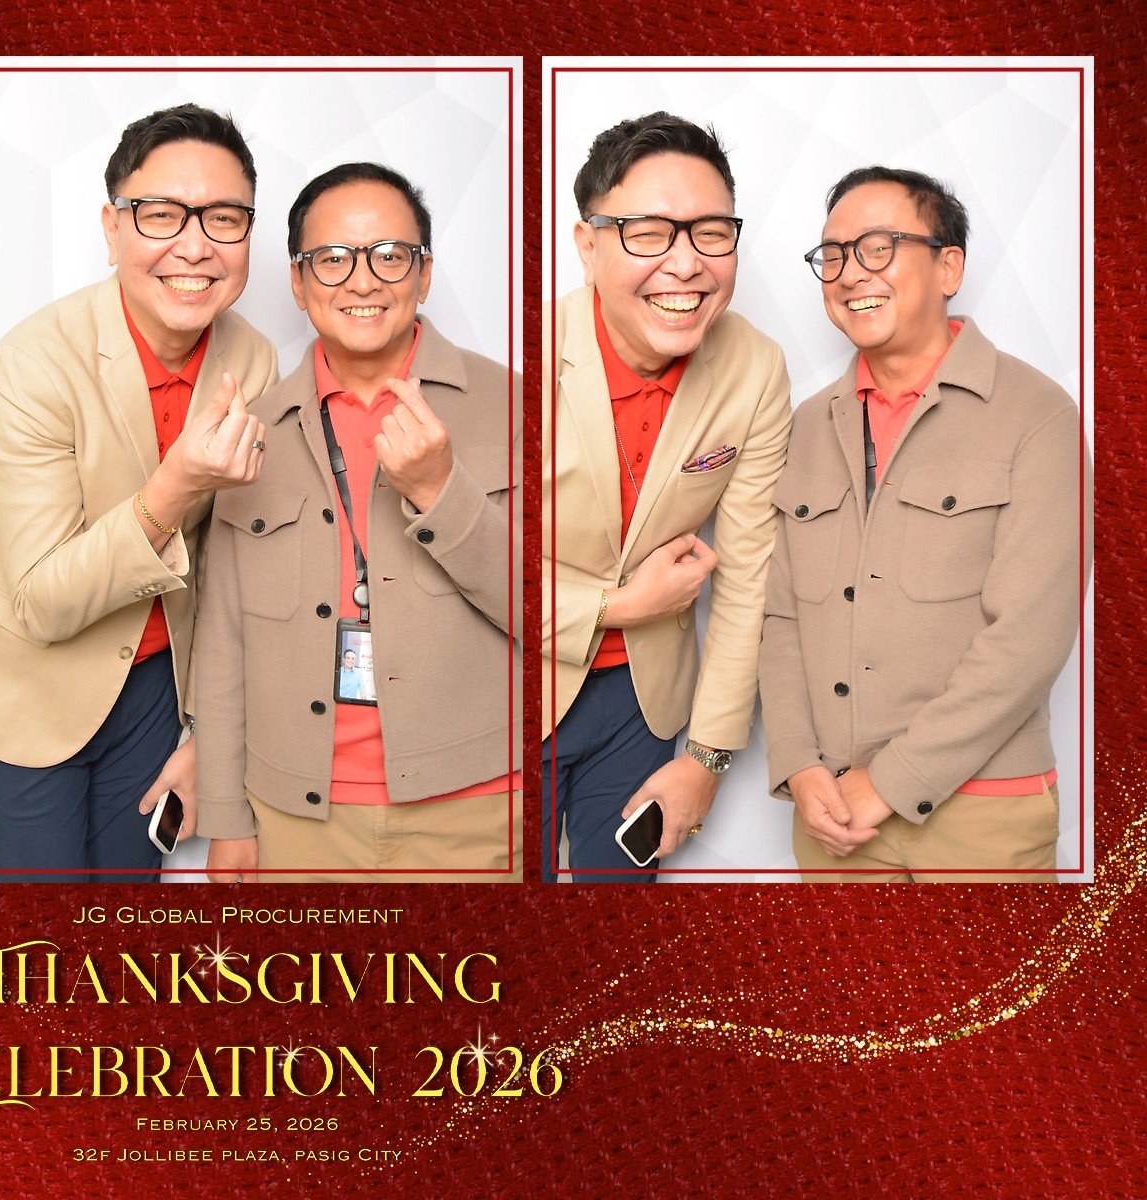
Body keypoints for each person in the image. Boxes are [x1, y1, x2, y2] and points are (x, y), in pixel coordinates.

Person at [0, 103, 279, 882]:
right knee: (40, 957)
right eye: (160, 214)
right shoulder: (30, 366)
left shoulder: (253, 356)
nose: (196, 245)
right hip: (30, 701)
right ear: (112, 229)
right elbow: (41, 600)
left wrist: (212, 731)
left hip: (159, 692)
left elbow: (233, 569)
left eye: (224, 218)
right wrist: (175, 485)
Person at [199, 162, 522, 884]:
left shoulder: (515, 408)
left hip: (472, 813)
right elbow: (222, 642)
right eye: (333, 259)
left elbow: (553, 613)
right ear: (298, 282)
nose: (363, 280)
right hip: (295, 820)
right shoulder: (252, 431)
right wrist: (225, 816)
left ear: (424, 272)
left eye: (389, 255)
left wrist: (442, 492)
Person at [761, 166, 1086, 882]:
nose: (850, 273)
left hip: (983, 817)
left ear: (948, 266)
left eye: (878, 247)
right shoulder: (807, 425)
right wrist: (799, 766)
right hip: (832, 819)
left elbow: (1030, 638)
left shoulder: (1036, 414)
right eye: (833, 255)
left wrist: (890, 781)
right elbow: (779, 618)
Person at [548, 112, 791, 881]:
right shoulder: (523, 362)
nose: (686, 265)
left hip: (644, 704)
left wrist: (709, 758)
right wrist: (614, 607)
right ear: (587, 246)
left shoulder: (753, 365)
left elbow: (749, 572)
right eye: (648, 233)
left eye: (711, 233)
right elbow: (460, 570)